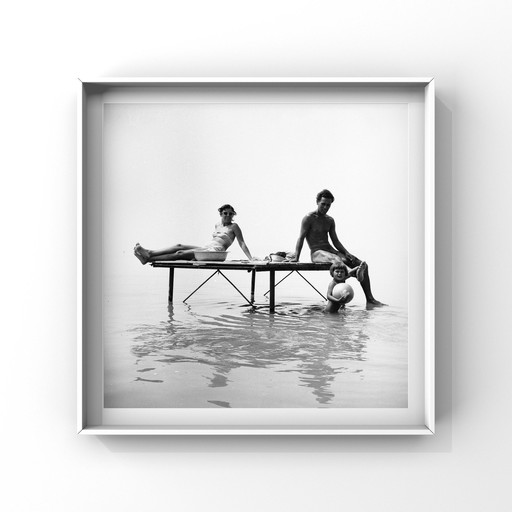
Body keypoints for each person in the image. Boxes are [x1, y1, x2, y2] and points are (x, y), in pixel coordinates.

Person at [291, 189, 383, 306]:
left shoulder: (330, 220)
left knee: (357, 262)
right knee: (337, 260)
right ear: (317, 202)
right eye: (323, 204)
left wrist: (346, 252)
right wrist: (296, 257)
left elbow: (335, 240)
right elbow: (301, 238)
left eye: (328, 205)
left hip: (330, 249)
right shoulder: (308, 218)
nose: (325, 207)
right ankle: (351, 273)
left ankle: (370, 299)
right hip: (317, 252)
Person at [134, 204, 253, 264]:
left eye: (230, 214)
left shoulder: (234, 226)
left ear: (233, 215)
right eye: (225, 213)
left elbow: (242, 243)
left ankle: (149, 259)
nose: (228, 216)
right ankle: (149, 253)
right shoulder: (217, 225)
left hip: (216, 252)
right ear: (220, 214)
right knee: (179, 245)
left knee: (180, 253)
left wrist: (251, 258)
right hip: (207, 248)